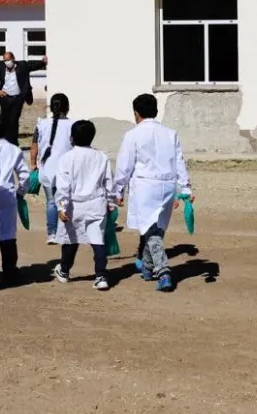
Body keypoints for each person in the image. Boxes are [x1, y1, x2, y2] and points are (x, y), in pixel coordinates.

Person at [113, 94, 192, 293]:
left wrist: (117, 190)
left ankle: (163, 271)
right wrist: (185, 187)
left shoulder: (133, 135)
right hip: (167, 185)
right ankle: (147, 267)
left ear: (136, 113)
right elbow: (179, 161)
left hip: (145, 186)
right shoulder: (170, 133)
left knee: (152, 231)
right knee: (155, 229)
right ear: (156, 111)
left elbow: (124, 166)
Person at [52, 120, 115, 291]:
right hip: (96, 203)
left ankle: (64, 271)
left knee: (71, 239)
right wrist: (111, 202)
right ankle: (101, 276)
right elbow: (109, 182)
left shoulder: (66, 158)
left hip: (74, 205)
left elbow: (63, 187)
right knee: (97, 239)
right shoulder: (101, 157)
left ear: (71, 138)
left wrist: (61, 207)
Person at [0, 114, 29, 283]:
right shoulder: (14, 149)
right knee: (8, 234)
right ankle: (10, 269)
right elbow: (25, 176)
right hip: (7, 194)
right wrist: (20, 193)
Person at [31, 93, 73, 245]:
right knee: (64, 201)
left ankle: (51, 234)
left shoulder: (41, 124)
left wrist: (33, 164)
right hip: (66, 171)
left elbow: (34, 145)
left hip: (46, 168)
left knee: (51, 202)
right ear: (67, 108)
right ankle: (64, 232)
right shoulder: (72, 125)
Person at [0, 51, 48, 146]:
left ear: (13, 59)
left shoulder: (22, 65)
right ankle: (6, 141)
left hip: (17, 98)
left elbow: (33, 65)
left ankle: (13, 142)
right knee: (5, 120)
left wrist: (43, 62)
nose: (7, 62)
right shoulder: (1, 68)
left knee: (13, 120)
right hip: (5, 98)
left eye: (8, 60)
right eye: (5, 60)